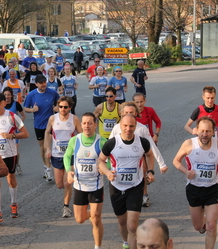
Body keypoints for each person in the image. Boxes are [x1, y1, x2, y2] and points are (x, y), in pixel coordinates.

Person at [173, 116, 218, 249]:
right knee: (198, 226)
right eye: (202, 131)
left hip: (213, 188)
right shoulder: (189, 144)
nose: (205, 134)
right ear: (196, 131)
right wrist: (186, 172)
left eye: (208, 131)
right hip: (194, 189)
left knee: (212, 226)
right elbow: (176, 161)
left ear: (213, 132)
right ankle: (203, 221)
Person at [97, 114, 155, 249]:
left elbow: (150, 155)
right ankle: (126, 242)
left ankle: (132, 244)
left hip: (135, 186)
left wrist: (150, 171)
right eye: (125, 126)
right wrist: (107, 173)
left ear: (135, 126)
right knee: (122, 221)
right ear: (120, 126)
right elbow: (100, 161)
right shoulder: (112, 143)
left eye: (131, 126)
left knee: (132, 225)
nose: (128, 129)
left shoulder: (142, 142)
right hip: (116, 187)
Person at [109, 102, 168, 208]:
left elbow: (151, 147)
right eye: (126, 112)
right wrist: (104, 165)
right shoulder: (117, 128)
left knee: (143, 169)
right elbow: (108, 147)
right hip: (121, 161)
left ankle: (144, 195)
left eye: (131, 112)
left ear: (136, 113)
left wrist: (161, 163)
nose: (128, 114)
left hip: (137, 158)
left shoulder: (141, 129)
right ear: (121, 113)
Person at [63, 112, 107, 249]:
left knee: (96, 219)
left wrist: (107, 169)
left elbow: (110, 161)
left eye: (89, 123)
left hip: (96, 185)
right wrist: (68, 171)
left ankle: (97, 246)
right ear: (81, 125)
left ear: (95, 125)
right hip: (80, 186)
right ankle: (94, 214)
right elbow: (66, 156)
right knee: (80, 219)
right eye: (84, 123)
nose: (87, 126)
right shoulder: (75, 140)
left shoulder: (102, 141)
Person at [0, 93, 29, 220]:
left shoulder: (12, 116)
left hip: (9, 154)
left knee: (10, 179)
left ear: (4, 103)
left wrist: (12, 136)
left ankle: (13, 203)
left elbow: (26, 134)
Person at [45, 96, 82, 218]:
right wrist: (48, 148)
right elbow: (47, 133)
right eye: (60, 107)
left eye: (65, 107)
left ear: (70, 108)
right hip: (56, 155)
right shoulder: (52, 119)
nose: (62, 109)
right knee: (59, 184)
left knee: (67, 183)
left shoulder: (74, 119)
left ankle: (66, 207)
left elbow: (81, 135)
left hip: (70, 155)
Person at [24, 74, 60, 180]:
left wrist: (57, 108)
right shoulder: (32, 95)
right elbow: (26, 108)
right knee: (42, 147)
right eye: (41, 83)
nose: (43, 84)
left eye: (44, 82)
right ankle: (46, 166)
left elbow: (59, 103)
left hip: (50, 124)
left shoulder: (52, 93)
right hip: (38, 124)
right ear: (36, 84)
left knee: (47, 146)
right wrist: (32, 110)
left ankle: (49, 169)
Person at [3, 87, 26, 175]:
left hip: (14, 133)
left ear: (12, 95)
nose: (7, 96)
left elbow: (23, 115)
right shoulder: (1, 104)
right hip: (4, 132)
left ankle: (16, 163)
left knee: (14, 151)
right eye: (5, 95)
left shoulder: (16, 104)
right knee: (6, 151)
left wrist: (18, 125)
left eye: (8, 95)